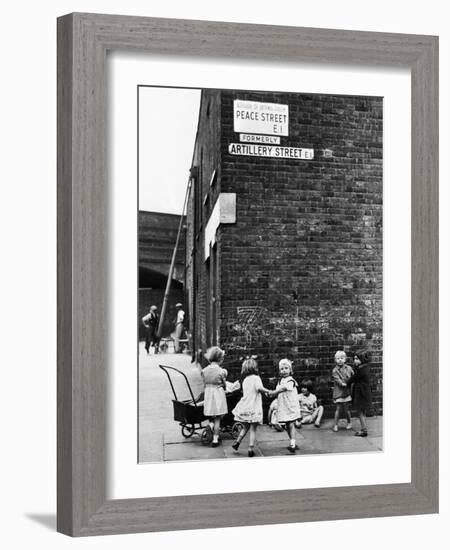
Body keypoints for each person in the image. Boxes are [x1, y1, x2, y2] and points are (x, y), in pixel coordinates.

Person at [232, 357, 271, 457]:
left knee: (245, 427)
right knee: (253, 429)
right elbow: (259, 388)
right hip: (253, 407)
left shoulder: (245, 380)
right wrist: (268, 391)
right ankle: (250, 448)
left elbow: (251, 391)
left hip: (245, 406)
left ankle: (237, 442)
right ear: (255, 368)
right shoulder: (256, 378)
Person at [268, 358, 300, 453]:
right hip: (284, 406)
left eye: (286, 368)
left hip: (290, 406)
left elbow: (282, 389)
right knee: (287, 424)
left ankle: (293, 443)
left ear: (290, 370)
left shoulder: (291, 381)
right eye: (282, 369)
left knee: (290, 423)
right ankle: (292, 441)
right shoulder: (280, 380)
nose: (284, 370)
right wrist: (271, 393)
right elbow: (278, 390)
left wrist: (273, 392)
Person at [202, 346, 228, 447]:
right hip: (218, 394)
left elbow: (204, 383)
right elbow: (224, 384)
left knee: (211, 414)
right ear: (220, 359)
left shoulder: (204, 371)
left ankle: (210, 424)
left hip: (208, 394)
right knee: (218, 417)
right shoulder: (221, 371)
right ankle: (215, 439)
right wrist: (224, 387)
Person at [346, 350, 373, 437]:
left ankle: (364, 430)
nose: (355, 361)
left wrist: (346, 383)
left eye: (357, 359)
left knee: (360, 412)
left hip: (360, 393)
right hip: (365, 393)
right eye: (354, 359)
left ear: (363, 359)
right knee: (363, 412)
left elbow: (352, 379)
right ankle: (363, 428)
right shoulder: (366, 368)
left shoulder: (361, 370)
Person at [332, 350, 354, 432]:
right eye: (338, 358)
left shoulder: (349, 368)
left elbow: (353, 376)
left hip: (346, 392)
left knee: (346, 409)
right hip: (339, 392)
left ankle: (349, 422)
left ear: (345, 359)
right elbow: (337, 379)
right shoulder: (335, 370)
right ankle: (335, 424)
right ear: (335, 360)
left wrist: (351, 382)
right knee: (338, 408)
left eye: (342, 358)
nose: (340, 360)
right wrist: (343, 383)